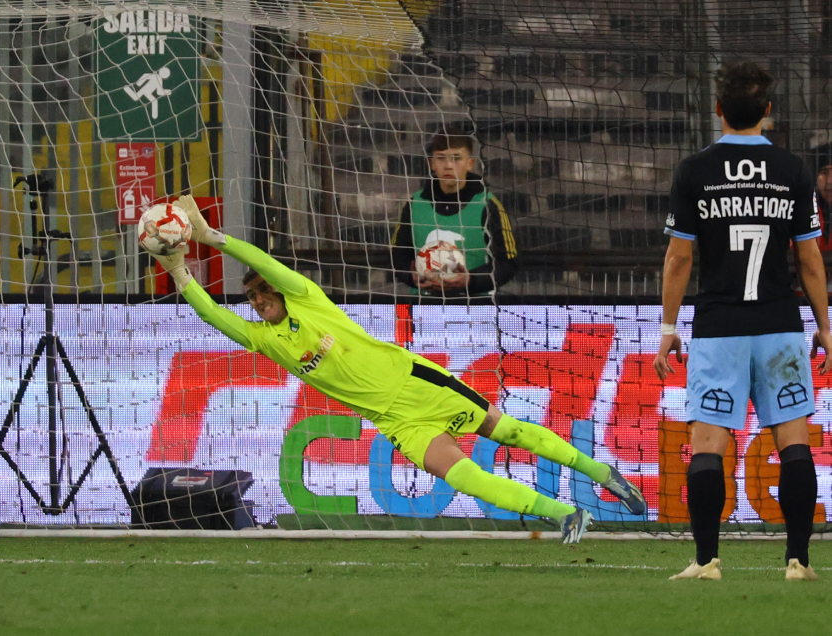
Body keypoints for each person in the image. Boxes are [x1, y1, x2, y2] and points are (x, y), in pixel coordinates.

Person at [155, 196, 646, 543]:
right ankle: (566, 515)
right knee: (466, 478)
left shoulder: (309, 301)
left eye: (262, 294)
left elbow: (264, 260)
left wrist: (210, 237)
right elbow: (213, 316)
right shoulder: (265, 340)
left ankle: (604, 473)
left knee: (510, 431)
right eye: (252, 298)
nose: (258, 302)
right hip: (396, 421)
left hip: (417, 383)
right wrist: (179, 270)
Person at [655, 62, 829, 581]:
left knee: (710, 444)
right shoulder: (794, 171)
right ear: (768, 112)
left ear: (718, 109)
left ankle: (706, 562)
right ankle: (798, 561)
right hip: (779, 326)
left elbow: (678, 260)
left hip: (719, 327)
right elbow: (811, 259)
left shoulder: (694, 171)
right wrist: (825, 324)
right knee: (793, 440)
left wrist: (667, 330)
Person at [391, 128, 518, 296]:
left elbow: (509, 262)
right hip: (424, 306)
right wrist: (411, 276)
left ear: (470, 163)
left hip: (476, 307)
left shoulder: (488, 204)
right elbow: (397, 257)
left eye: (456, 158)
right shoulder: (415, 204)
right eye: (441, 158)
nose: (448, 165)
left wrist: (471, 280)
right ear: (432, 163)